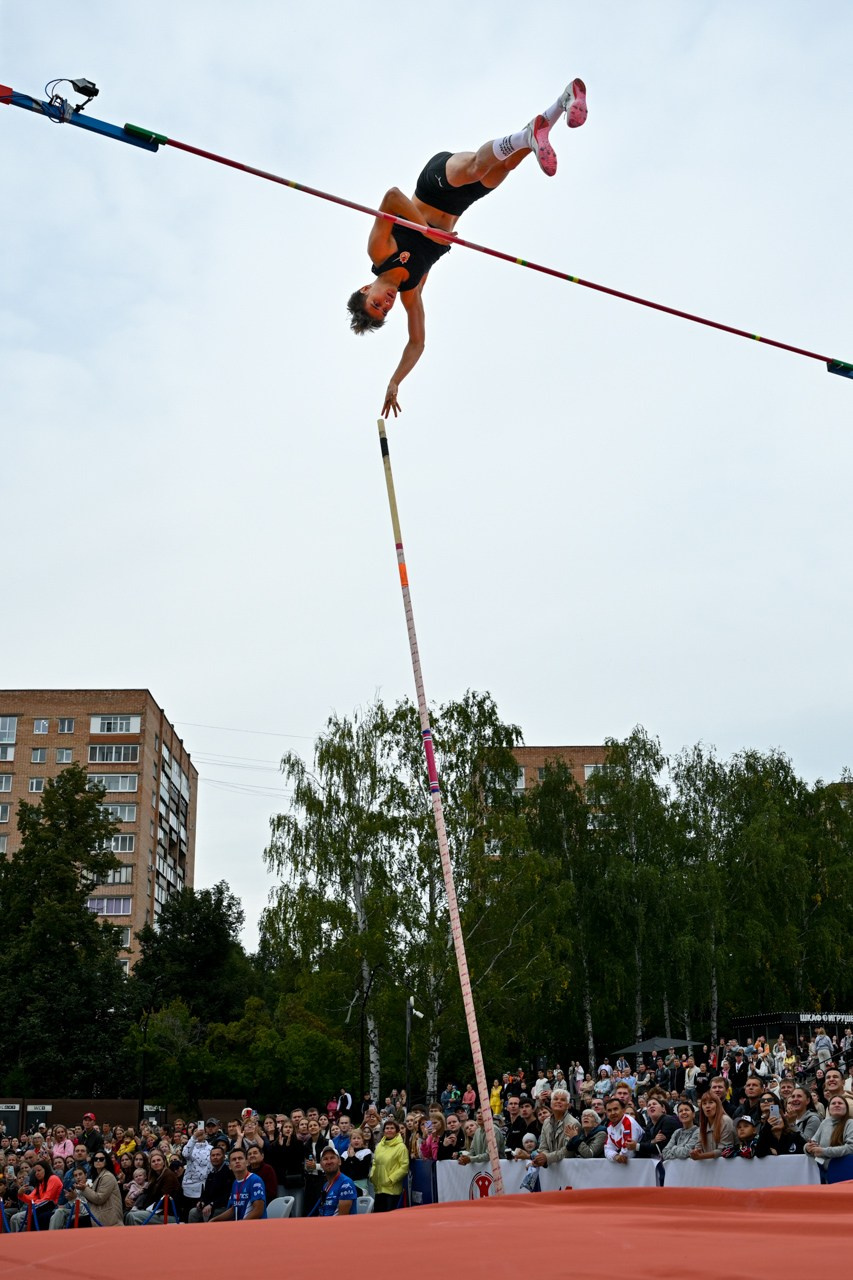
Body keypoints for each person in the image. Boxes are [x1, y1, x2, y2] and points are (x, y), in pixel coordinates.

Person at [349, 78, 588, 418]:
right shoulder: (411, 292)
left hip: (434, 183)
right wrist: (395, 380)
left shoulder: (379, 252)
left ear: (365, 288)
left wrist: (427, 233)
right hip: (459, 204)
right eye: (385, 310)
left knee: (479, 164)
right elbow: (417, 343)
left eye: (376, 302)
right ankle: (561, 105)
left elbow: (391, 196)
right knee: (508, 161)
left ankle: (532, 134)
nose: (386, 304)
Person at [207, 1147, 266, 1222]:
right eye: (234, 1159)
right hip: (240, 1226)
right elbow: (233, 1209)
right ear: (230, 1166)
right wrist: (214, 1220)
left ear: (247, 1163)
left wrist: (240, 1224)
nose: (237, 1161)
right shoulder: (235, 1183)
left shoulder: (255, 1180)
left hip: (255, 1226)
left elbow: (258, 1210)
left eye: (240, 1158)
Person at [187, 1143, 234, 1223]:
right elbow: (206, 1193)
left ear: (223, 1157)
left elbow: (227, 1195)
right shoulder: (211, 1174)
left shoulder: (229, 1173)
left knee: (215, 1213)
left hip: (223, 1207)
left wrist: (212, 1205)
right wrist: (202, 1202)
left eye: (218, 1155)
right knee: (193, 1212)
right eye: (213, 1155)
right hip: (209, 1206)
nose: (215, 1157)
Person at [370, 1119, 409, 1212]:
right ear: (383, 1131)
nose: (389, 1130)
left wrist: (391, 1179)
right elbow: (375, 1162)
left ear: (397, 1131)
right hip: (379, 1189)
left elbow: (404, 1167)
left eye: (392, 1128)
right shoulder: (379, 1145)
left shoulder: (401, 1147)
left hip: (392, 1190)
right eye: (387, 1128)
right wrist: (372, 1175)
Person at [805, 1095, 853, 1170]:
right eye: (833, 1103)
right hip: (825, 1172)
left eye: (840, 1103)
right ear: (829, 1109)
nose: (837, 1105)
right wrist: (808, 1148)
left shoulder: (850, 1123)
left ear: (846, 1108)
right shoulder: (825, 1122)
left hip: (845, 1171)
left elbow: (851, 1148)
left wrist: (824, 1151)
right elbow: (814, 1141)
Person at [77, 1150, 124, 1226]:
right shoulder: (99, 1176)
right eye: (96, 1159)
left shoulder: (107, 1176)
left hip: (111, 1222)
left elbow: (99, 1199)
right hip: (102, 1219)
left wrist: (84, 1189)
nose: (98, 1161)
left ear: (106, 1161)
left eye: (101, 1159)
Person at [691, 1092, 736, 1161]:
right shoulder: (703, 1124)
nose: (707, 1106)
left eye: (711, 1102)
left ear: (717, 1105)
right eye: (704, 1103)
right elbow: (699, 1145)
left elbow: (724, 1150)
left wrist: (701, 1156)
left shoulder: (726, 1121)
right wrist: (695, 1152)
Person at [316, 1147, 358, 1216]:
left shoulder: (346, 1184)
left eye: (332, 1158)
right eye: (325, 1159)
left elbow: (341, 1218)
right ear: (321, 1165)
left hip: (339, 1225)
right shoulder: (325, 1186)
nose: (329, 1162)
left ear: (339, 1161)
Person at [603, 1097, 644, 1162]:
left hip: (641, 1160)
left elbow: (629, 1152)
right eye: (609, 1110)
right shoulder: (610, 1126)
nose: (613, 1113)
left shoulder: (629, 1122)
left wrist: (619, 1156)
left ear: (623, 1110)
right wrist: (615, 1156)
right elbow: (608, 1148)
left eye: (615, 1109)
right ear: (606, 1113)